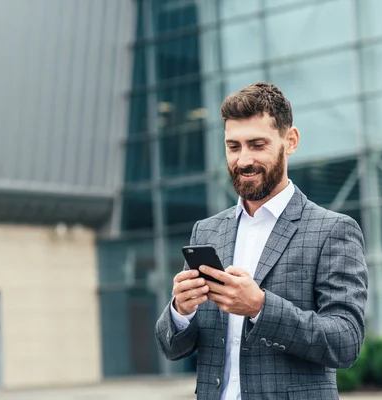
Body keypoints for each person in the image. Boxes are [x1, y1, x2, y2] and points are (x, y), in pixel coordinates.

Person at [155, 82, 368, 400]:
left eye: (257, 145)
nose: (242, 160)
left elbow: (346, 342)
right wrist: (180, 310)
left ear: (290, 141)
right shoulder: (207, 232)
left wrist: (260, 307)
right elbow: (173, 349)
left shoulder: (333, 231)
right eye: (233, 146)